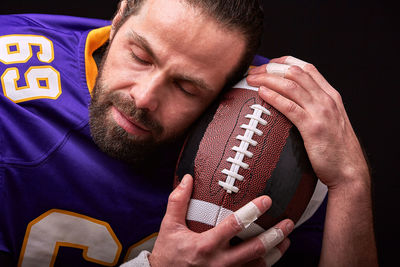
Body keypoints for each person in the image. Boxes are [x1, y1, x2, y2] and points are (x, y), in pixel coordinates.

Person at [0, 0, 378, 266]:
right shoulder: (10, 96)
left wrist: (351, 181)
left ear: (227, 91)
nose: (144, 98)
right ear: (119, 17)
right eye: (140, 56)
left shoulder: (271, 129)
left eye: (186, 88)